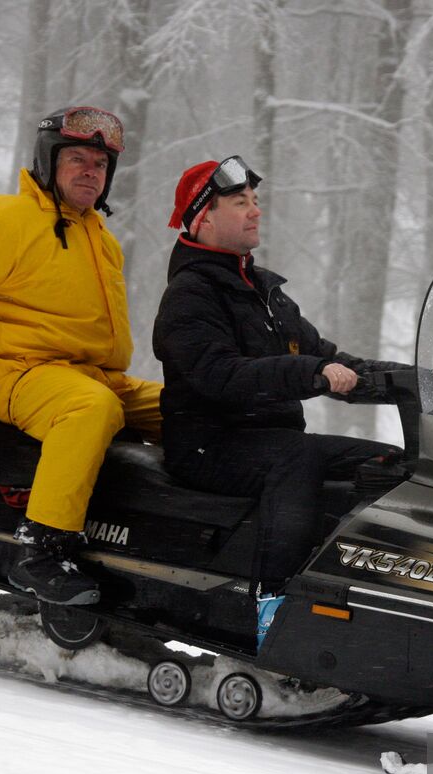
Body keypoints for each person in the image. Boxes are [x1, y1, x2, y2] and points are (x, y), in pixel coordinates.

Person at [0, 106, 162, 607]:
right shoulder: (11, 220)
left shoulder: (97, 235)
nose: (91, 172)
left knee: (192, 407)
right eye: (78, 159)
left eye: (101, 165)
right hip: (21, 376)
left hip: (92, 377)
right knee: (90, 409)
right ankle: (42, 548)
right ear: (48, 163)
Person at [152, 156, 405, 634]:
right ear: (204, 216)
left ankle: (379, 594)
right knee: (297, 457)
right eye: (240, 202)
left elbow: (330, 360)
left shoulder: (264, 293)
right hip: (210, 446)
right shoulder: (190, 294)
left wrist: (412, 381)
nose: (255, 211)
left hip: (273, 443)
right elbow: (220, 375)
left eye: (255, 201)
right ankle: (272, 606)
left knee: (390, 465)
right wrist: (311, 373)